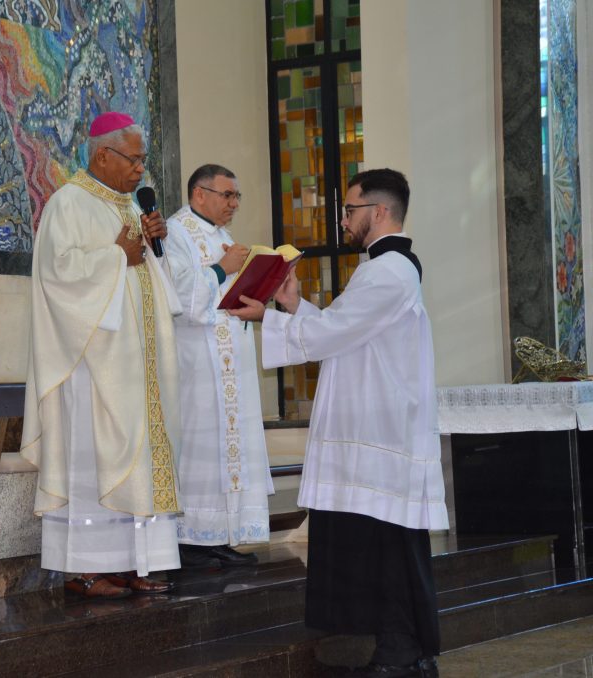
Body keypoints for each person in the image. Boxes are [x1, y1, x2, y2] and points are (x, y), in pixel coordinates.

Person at [230, 169, 447, 678]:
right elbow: (344, 332)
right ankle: (400, 649)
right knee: (383, 547)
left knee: (391, 550)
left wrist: (269, 316)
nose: (344, 220)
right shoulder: (384, 269)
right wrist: (292, 305)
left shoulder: (389, 270)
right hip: (372, 430)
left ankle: (403, 651)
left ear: (379, 211)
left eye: (350, 210)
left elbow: (335, 332)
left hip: (379, 433)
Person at [21, 112, 182, 599]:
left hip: (137, 365)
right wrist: (118, 256)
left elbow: (148, 278)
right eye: (133, 159)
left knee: (137, 461)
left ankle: (137, 561)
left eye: (143, 160)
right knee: (97, 462)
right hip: (93, 367)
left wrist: (154, 246)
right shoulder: (68, 203)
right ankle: (86, 567)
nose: (140, 171)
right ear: (102, 155)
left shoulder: (129, 207)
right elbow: (57, 275)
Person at [164, 164, 274, 569]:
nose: (234, 204)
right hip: (198, 365)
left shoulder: (222, 236)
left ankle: (223, 534)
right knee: (202, 448)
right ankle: (194, 537)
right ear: (199, 194)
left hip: (232, 363)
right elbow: (180, 299)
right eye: (227, 195)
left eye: (236, 197)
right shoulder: (175, 233)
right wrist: (221, 269)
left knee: (231, 450)